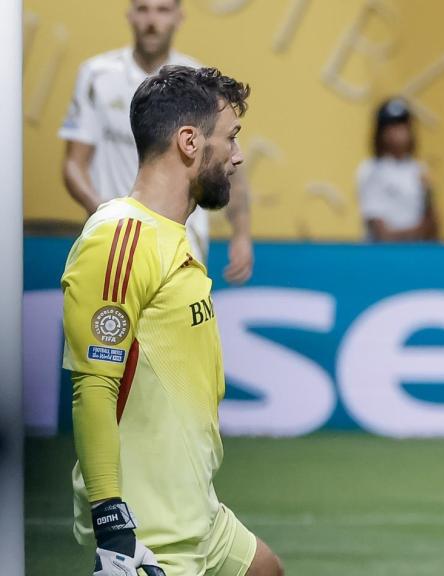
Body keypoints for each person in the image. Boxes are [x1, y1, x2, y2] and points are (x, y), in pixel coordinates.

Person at [61, 65, 283, 576]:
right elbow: (93, 387)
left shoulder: (174, 235)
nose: (238, 154)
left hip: (199, 512)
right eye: (230, 138)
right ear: (189, 141)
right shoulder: (119, 240)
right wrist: (113, 522)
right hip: (151, 529)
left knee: (266, 570)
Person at [60, 0, 254, 283]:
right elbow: (73, 164)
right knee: (111, 323)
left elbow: (226, 157)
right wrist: (106, 211)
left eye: (162, 9)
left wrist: (242, 235)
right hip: (114, 241)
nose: (152, 20)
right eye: (143, 9)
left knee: (181, 325)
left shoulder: (200, 81)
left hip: (183, 240)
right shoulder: (97, 75)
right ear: (129, 15)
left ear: (179, 16)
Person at [357, 98, 439, 242]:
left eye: (403, 125)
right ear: (381, 133)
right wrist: (419, 231)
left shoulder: (418, 170)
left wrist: (429, 195)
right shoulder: (371, 170)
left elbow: (433, 228)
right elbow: (381, 233)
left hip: (416, 255)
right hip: (384, 256)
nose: (399, 132)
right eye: (392, 127)